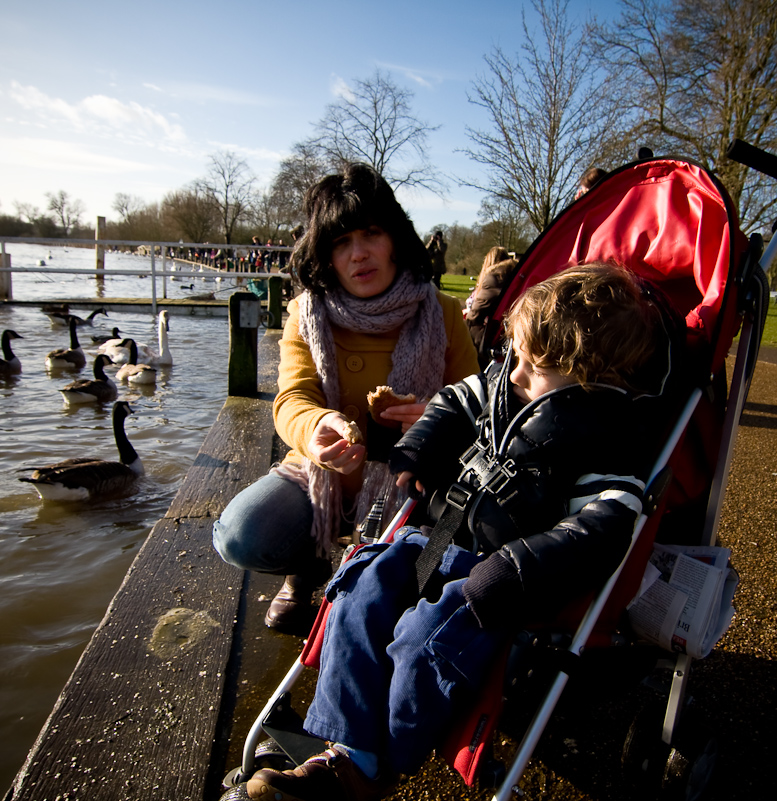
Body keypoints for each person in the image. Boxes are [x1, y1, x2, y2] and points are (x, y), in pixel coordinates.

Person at [244, 262, 682, 801]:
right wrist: (418, 448)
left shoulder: (608, 436)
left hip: (498, 577)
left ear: (591, 372)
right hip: (439, 534)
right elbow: (452, 402)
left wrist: (517, 566)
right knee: (359, 591)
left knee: (421, 638)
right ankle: (344, 746)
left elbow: (605, 525)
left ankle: (373, 763)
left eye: (534, 366)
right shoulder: (506, 384)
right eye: (515, 355)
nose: (514, 372)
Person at [212, 163, 480, 633]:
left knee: (413, 589)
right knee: (241, 534)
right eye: (340, 242)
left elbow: (475, 403)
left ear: (395, 238)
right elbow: (292, 396)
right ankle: (308, 569)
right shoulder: (305, 312)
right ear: (325, 254)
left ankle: (389, 590)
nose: (358, 254)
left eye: (371, 233)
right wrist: (315, 430)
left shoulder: (442, 310)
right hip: (324, 476)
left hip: (418, 479)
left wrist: (436, 417)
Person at [464, 246, 518, 368]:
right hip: (512, 337)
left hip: (492, 341)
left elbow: (475, 315)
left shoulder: (494, 279)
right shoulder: (518, 276)